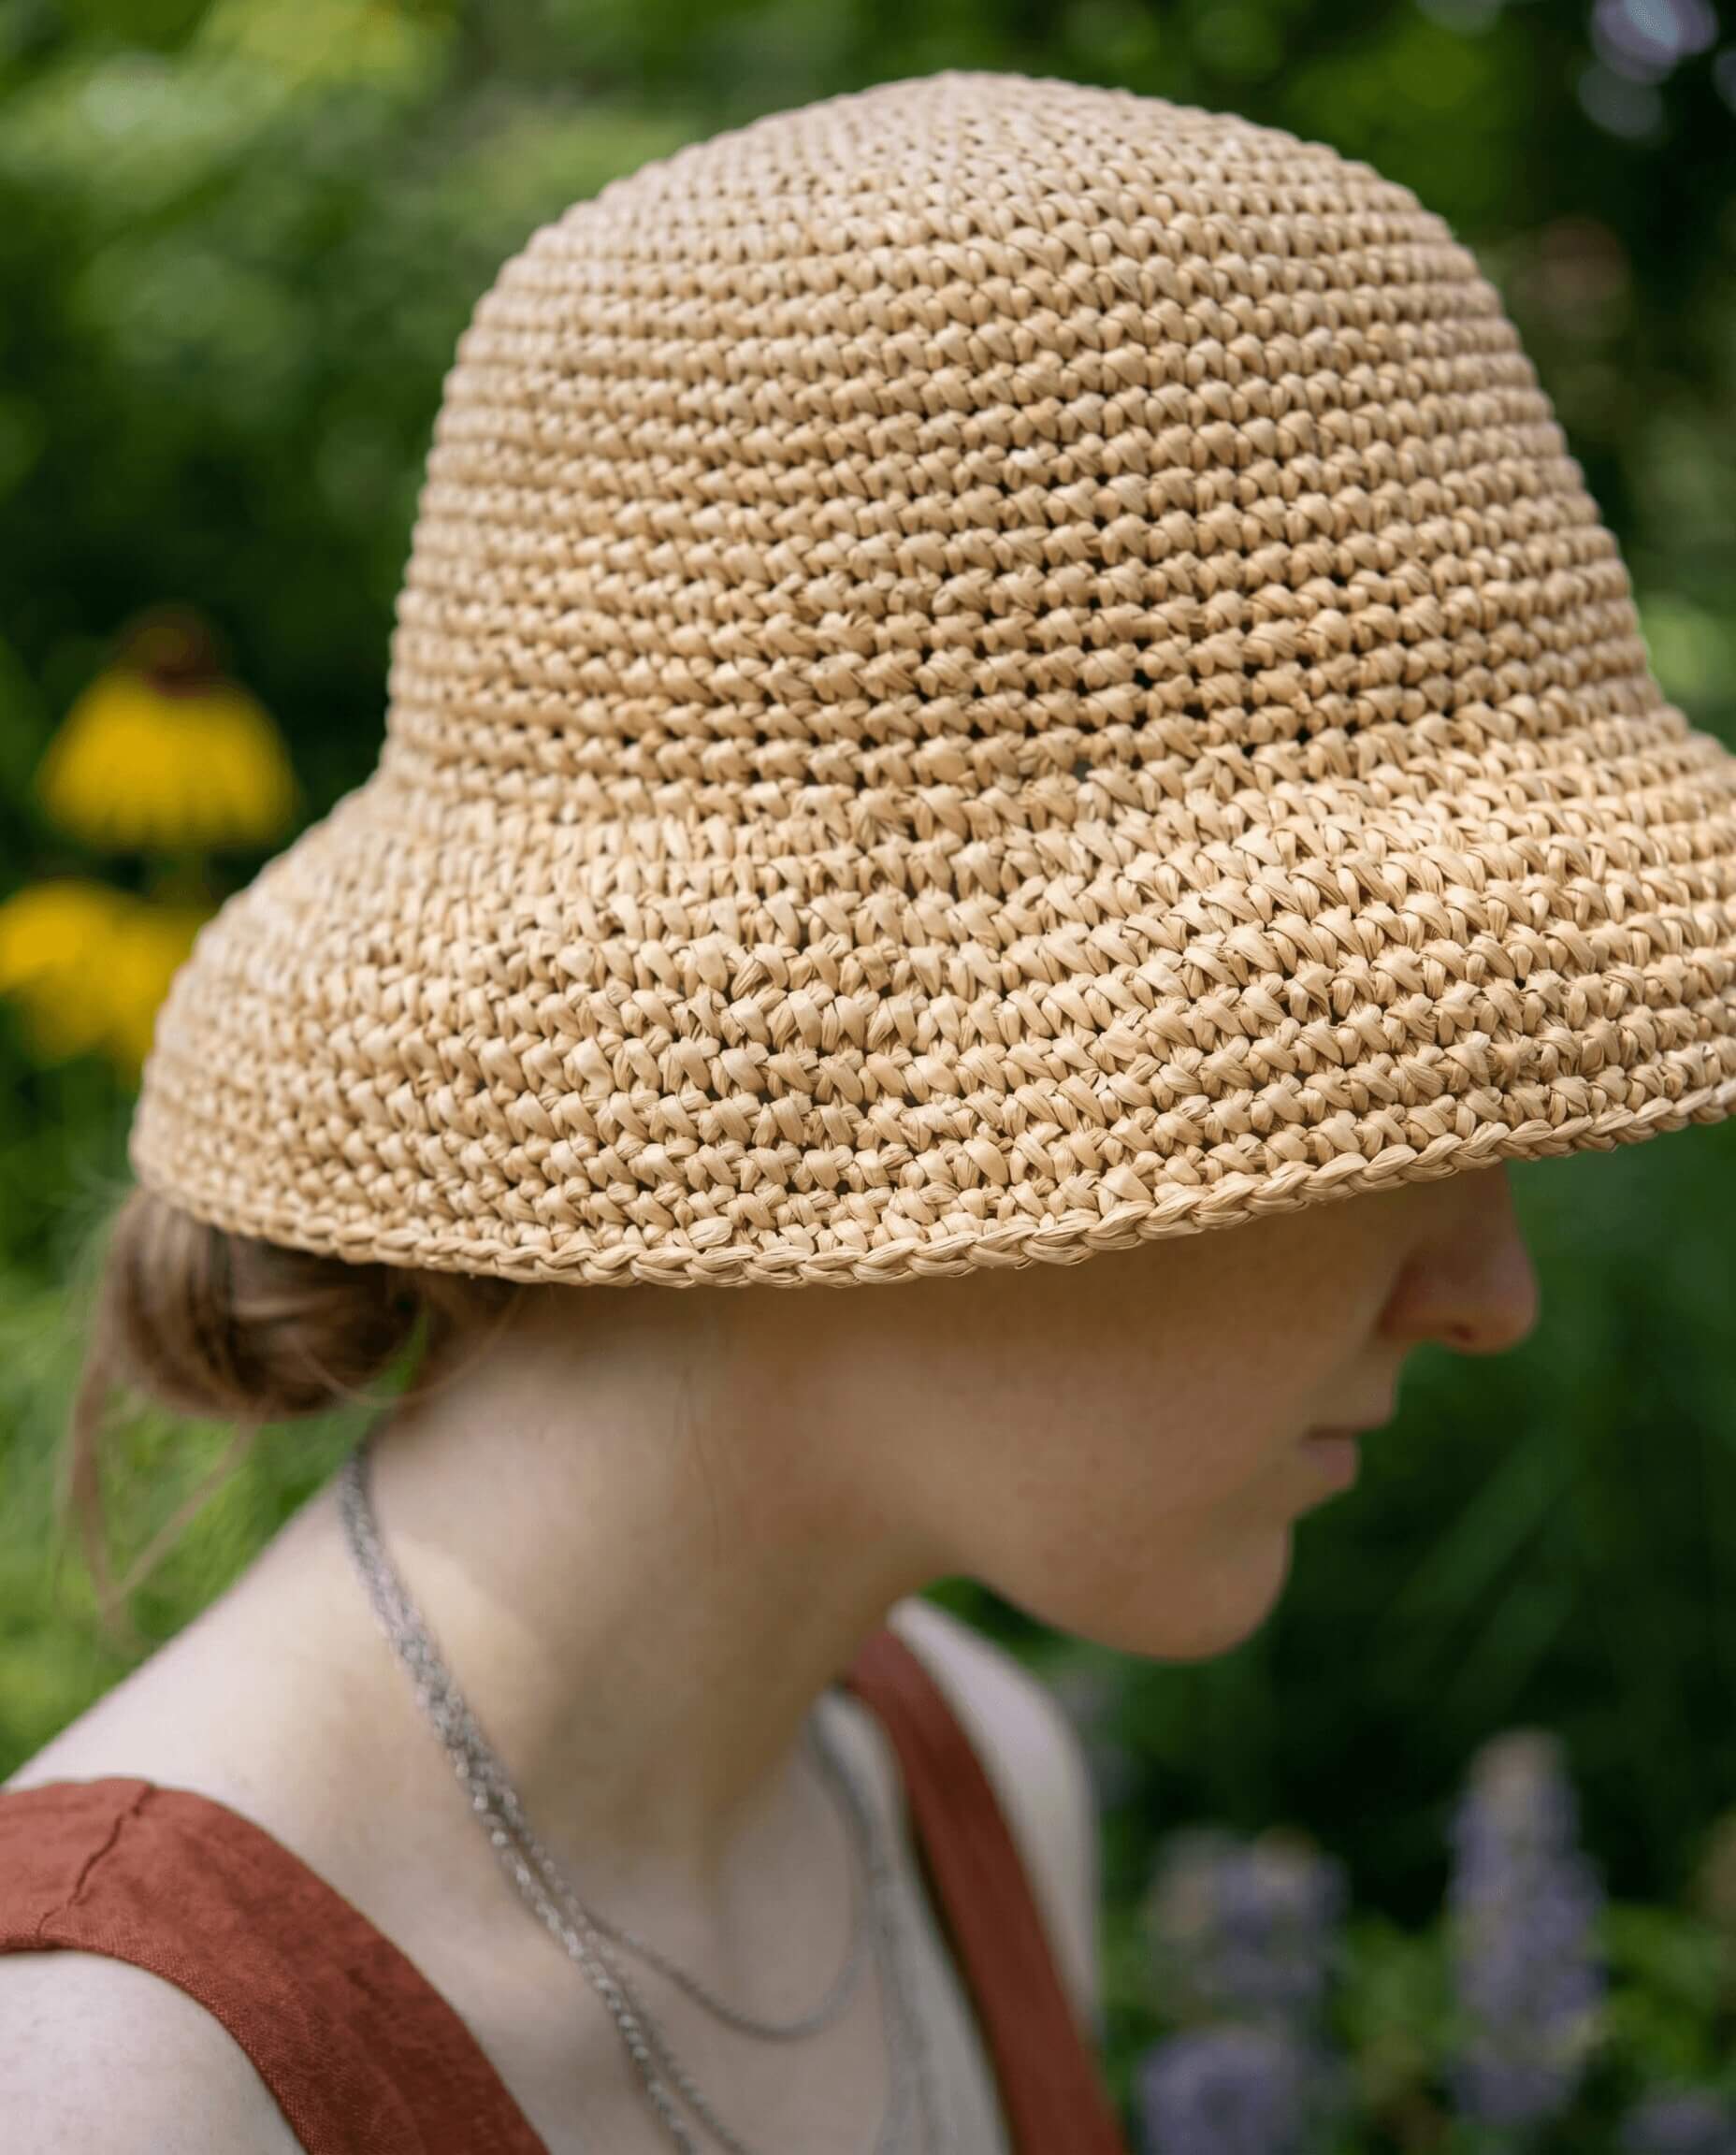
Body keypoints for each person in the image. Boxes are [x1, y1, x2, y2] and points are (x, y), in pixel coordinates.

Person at [1, 65, 1730, 2155]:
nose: (1487, 1290)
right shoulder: (115, 2087)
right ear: (922, 1076)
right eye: (1392, 1089)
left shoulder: (965, 1780)